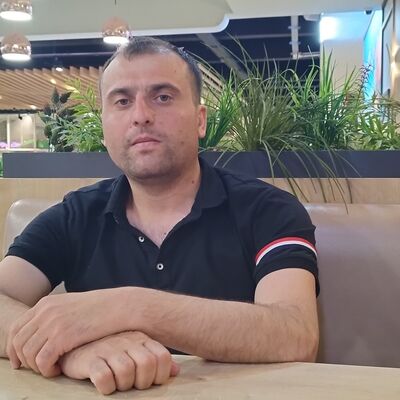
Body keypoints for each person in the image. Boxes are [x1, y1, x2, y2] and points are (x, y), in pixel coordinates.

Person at [0, 37, 319, 395]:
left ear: (200, 120)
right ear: (104, 128)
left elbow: (296, 334)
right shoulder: (75, 216)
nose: (141, 115)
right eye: (122, 101)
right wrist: (74, 350)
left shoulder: (268, 210)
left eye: (163, 97)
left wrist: (131, 307)